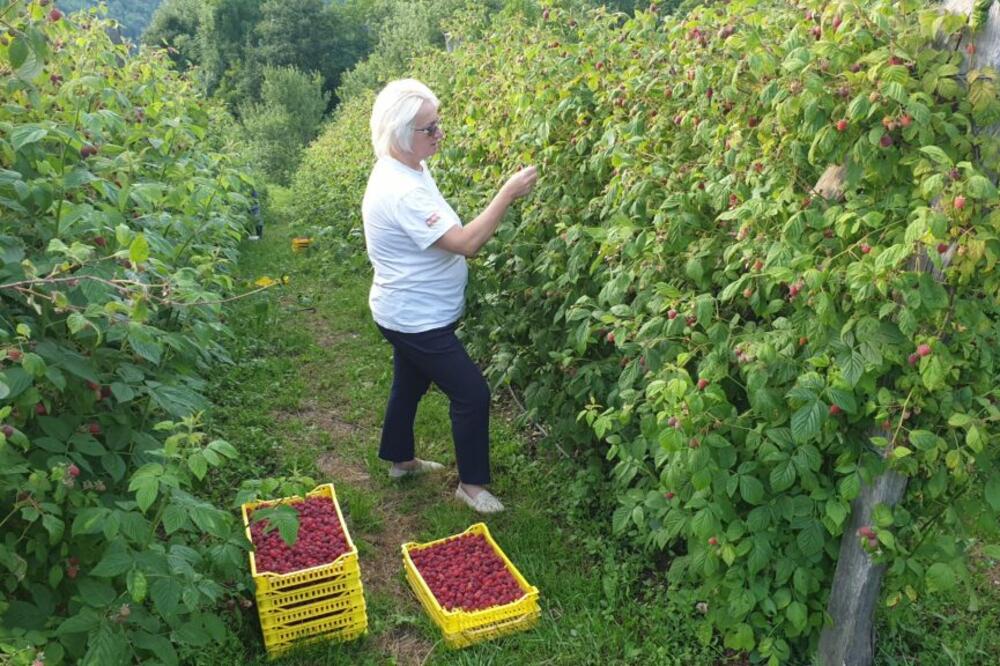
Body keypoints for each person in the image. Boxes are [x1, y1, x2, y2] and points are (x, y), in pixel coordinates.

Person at [361, 79, 538, 514]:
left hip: (408, 310)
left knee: (410, 382)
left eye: (438, 124)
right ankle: (472, 486)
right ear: (401, 135)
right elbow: (465, 243)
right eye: (430, 129)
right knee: (472, 393)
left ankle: (400, 461)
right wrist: (507, 193)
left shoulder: (407, 165)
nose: (439, 134)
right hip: (415, 318)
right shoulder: (400, 189)